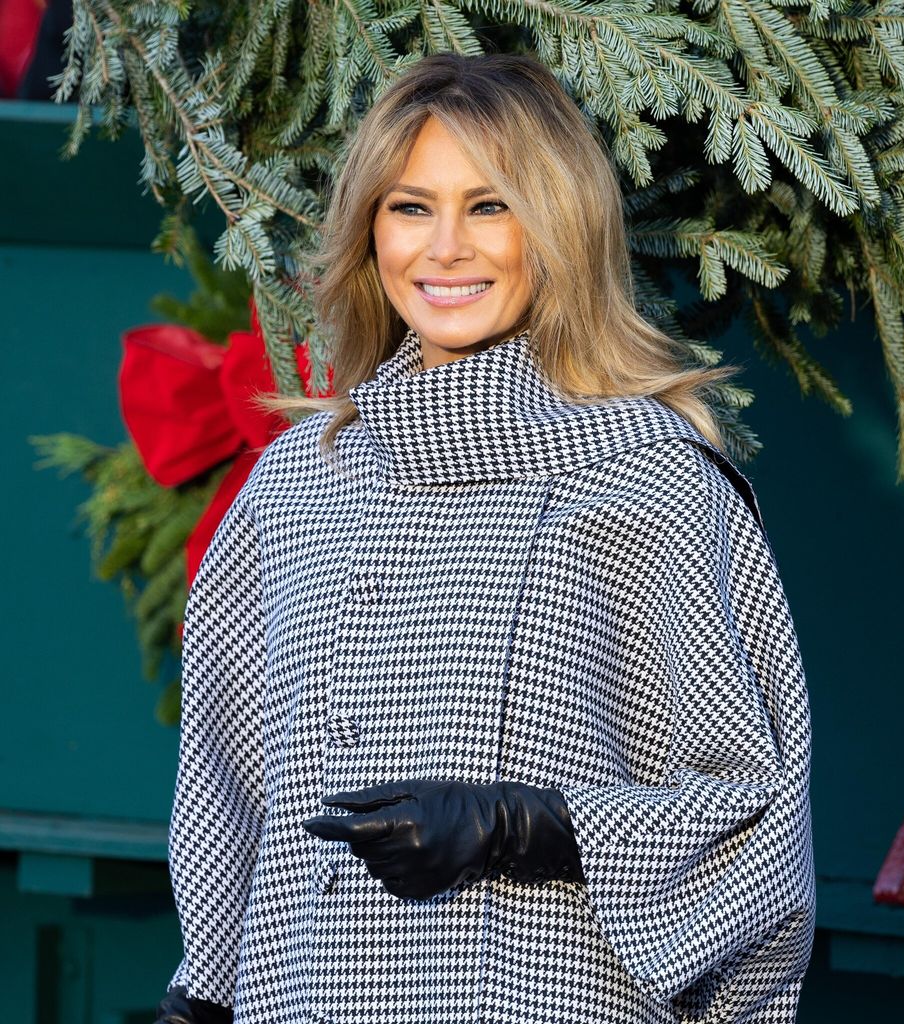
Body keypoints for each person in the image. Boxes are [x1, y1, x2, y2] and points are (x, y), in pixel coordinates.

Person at [156, 51, 815, 1024]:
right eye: (410, 206)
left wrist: (528, 827)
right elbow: (226, 774)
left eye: (491, 206)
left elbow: (756, 813)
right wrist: (202, 990)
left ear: (558, 227)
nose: (446, 248)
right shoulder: (297, 483)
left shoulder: (650, 477)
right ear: (369, 229)